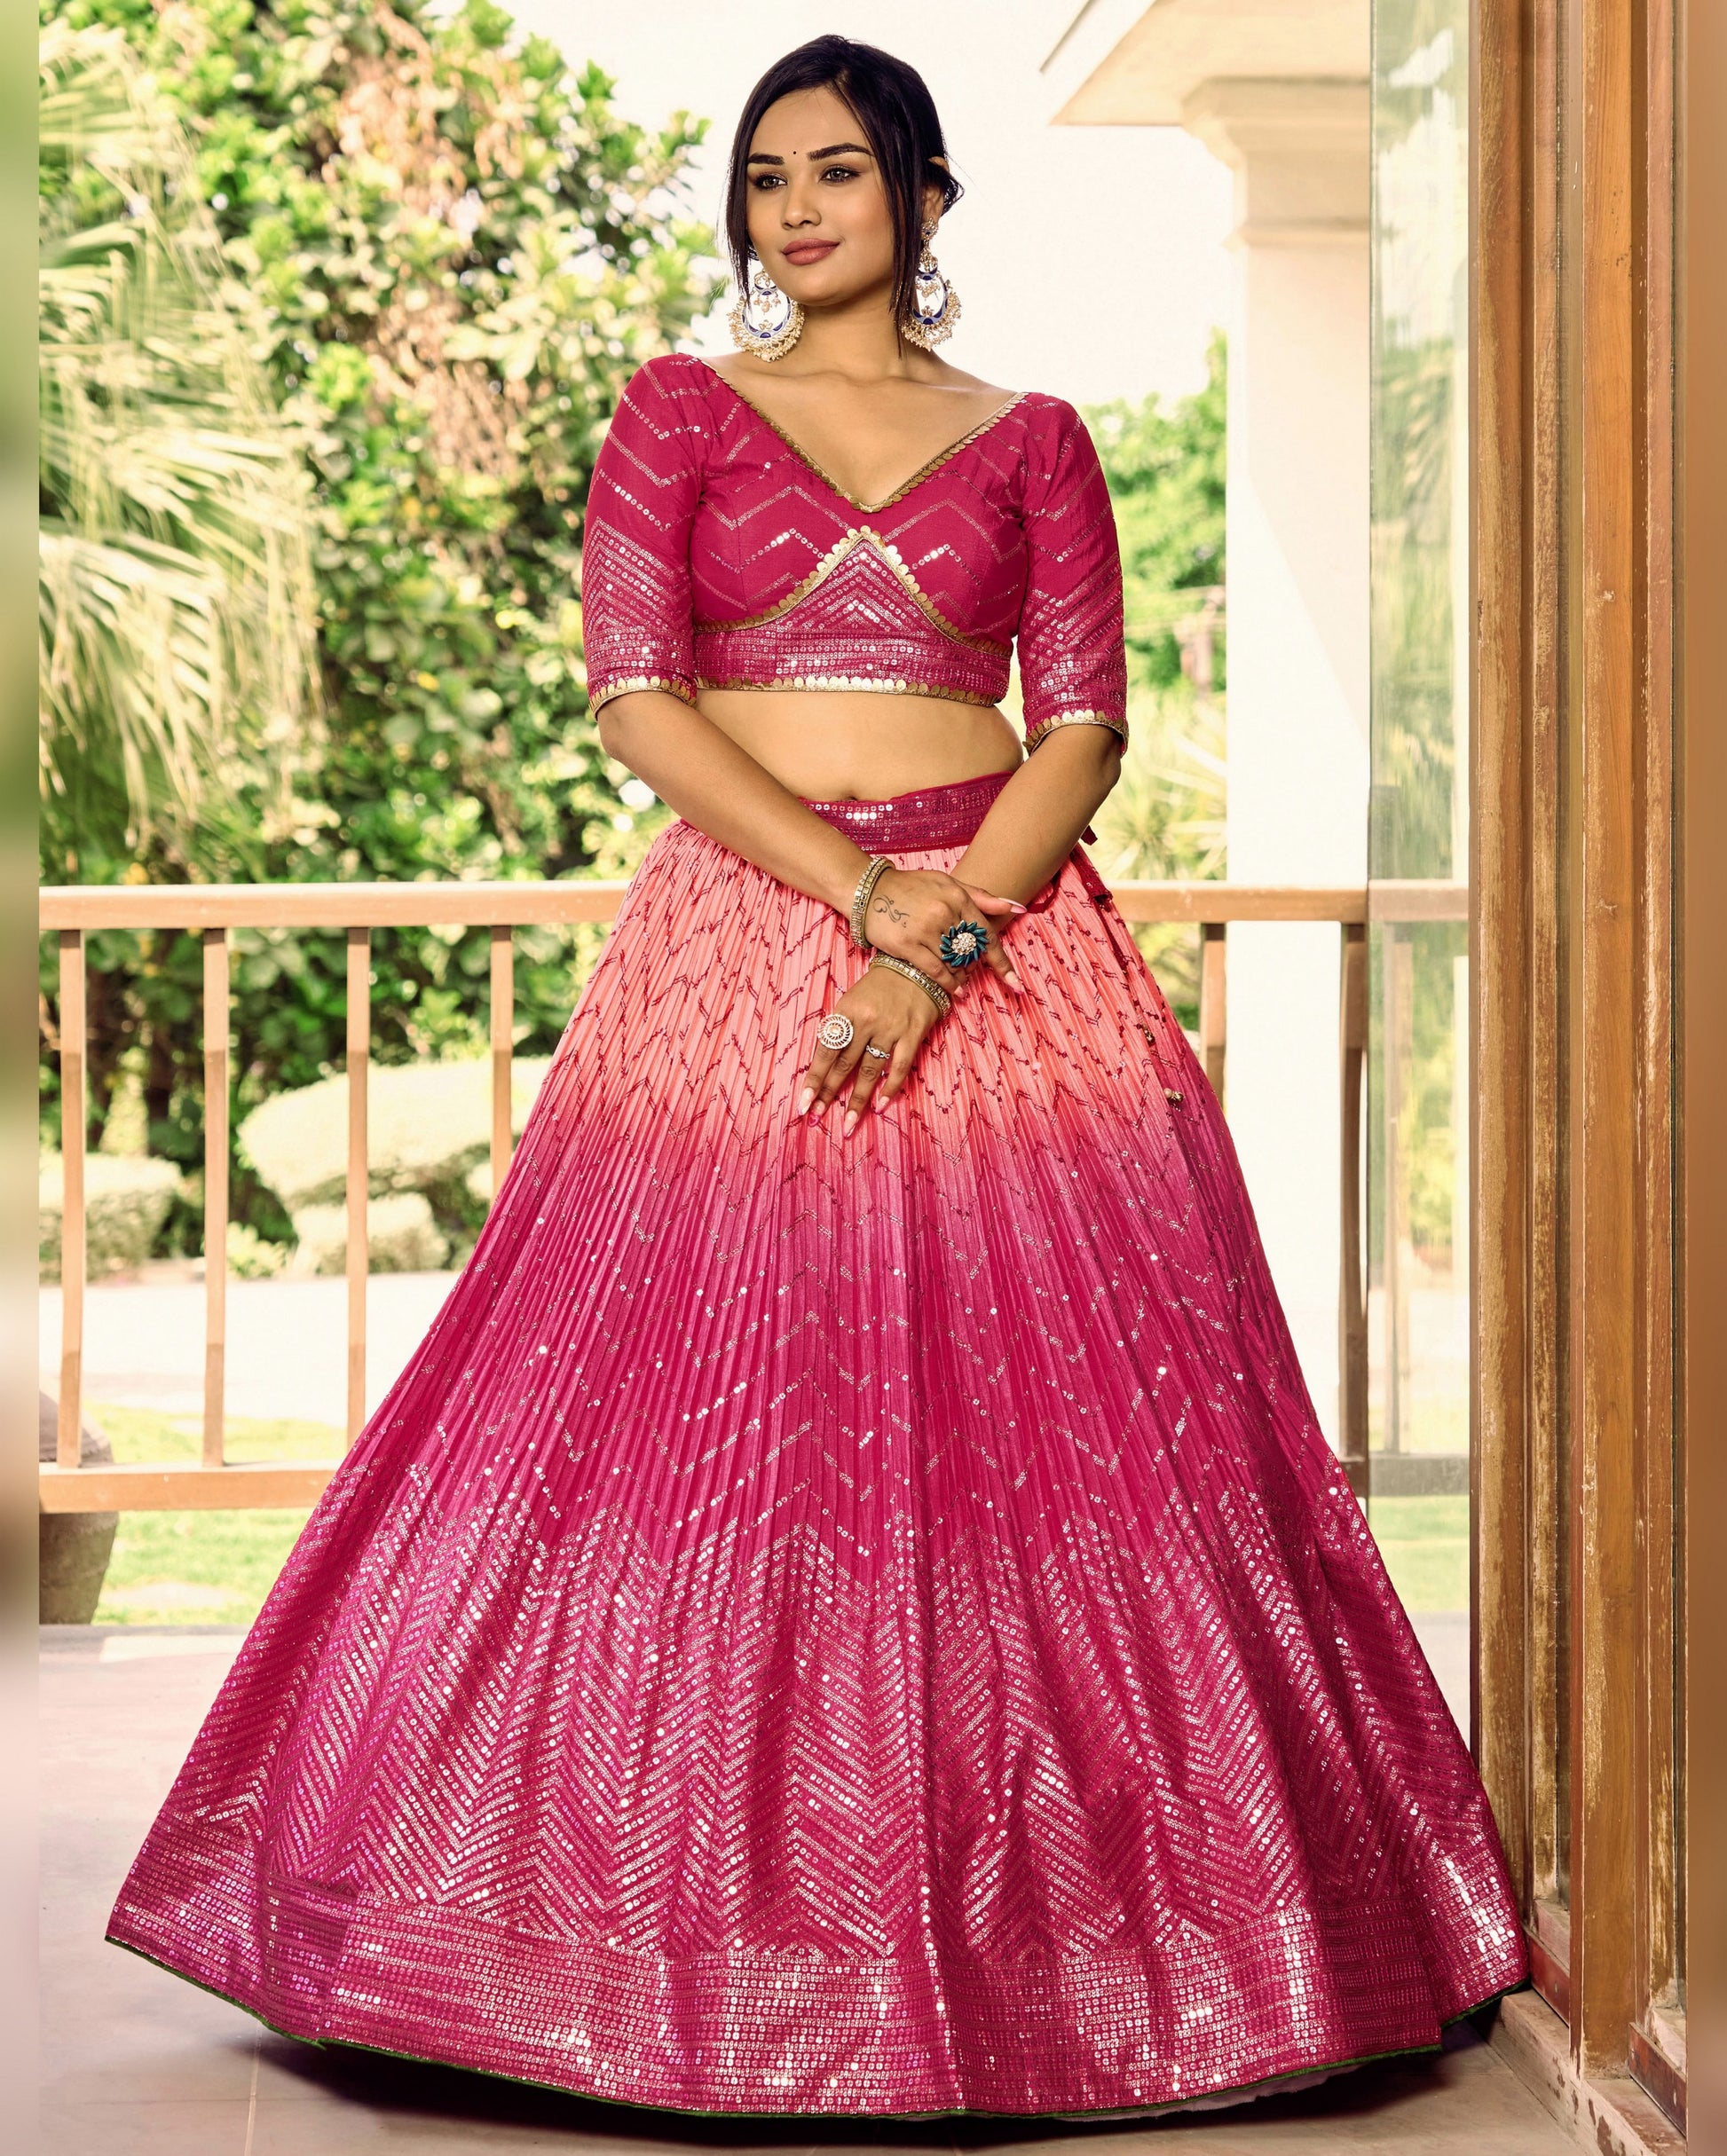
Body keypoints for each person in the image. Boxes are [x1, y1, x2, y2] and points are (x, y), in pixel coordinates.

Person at [106, 34, 1527, 2123]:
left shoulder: (1034, 440)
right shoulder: (680, 411)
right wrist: (864, 899)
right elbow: (634, 696)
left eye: (838, 172)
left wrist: (942, 939)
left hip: (1002, 973)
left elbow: (1084, 730)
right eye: (764, 173)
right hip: (743, 952)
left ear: (925, 202)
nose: (791, 208)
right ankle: (590, 1952)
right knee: (693, 1420)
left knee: (1050, 1433)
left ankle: (1125, 1955)